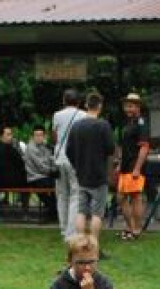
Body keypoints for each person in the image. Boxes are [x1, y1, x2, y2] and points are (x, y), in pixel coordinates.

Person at [65, 92, 115, 255]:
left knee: (81, 211)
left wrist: (77, 166)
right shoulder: (103, 126)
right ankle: (94, 248)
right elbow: (110, 149)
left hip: (82, 175)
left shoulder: (76, 126)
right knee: (96, 214)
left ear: (86, 105)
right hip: (99, 175)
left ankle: (79, 246)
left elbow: (68, 151)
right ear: (99, 106)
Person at [52, 89, 85, 241]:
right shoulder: (83, 115)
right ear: (78, 101)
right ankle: (72, 232)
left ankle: (63, 228)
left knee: (62, 194)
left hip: (59, 159)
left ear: (64, 101)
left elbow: (55, 136)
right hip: (75, 159)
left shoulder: (57, 115)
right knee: (75, 194)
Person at [116, 93, 150, 241]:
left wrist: (137, 168)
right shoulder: (129, 123)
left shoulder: (141, 123)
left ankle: (136, 229)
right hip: (125, 165)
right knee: (121, 197)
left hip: (135, 165)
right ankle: (130, 226)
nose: (127, 108)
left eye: (130, 106)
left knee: (135, 197)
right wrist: (119, 163)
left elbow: (144, 148)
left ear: (138, 107)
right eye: (126, 106)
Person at [23, 126, 57, 219]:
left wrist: (53, 169)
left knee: (58, 184)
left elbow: (51, 160)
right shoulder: (31, 148)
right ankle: (53, 211)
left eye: (41, 135)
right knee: (53, 185)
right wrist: (53, 170)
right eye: (36, 135)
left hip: (44, 176)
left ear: (44, 136)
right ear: (33, 136)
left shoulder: (45, 146)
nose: (39, 137)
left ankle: (53, 211)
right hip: (34, 177)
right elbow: (40, 166)